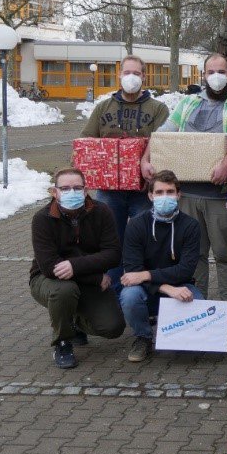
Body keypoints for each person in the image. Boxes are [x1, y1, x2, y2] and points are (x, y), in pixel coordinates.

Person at [142, 53, 227, 335]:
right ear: (203, 75)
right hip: (188, 193)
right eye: (211, 71)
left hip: (219, 193)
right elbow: (163, 133)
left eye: (222, 71)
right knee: (194, 255)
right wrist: (146, 157)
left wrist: (226, 163)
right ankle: (197, 307)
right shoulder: (188, 102)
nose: (216, 75)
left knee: (225, 254)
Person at [81, 55, 169, 290]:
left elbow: (164, 144)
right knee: (111, 242)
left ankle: (143, 293)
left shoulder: (158, 109)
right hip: (109, 190)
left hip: (144, 190)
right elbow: (87, 142)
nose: (132, 78)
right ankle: (114, 295)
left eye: (137, 73)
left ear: (144, 76)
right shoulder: (103, 108)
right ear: (119, 75)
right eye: (127, 73)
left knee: (145, 239)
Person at [29, 168, 126, 369]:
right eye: (64, 188)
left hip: (82, 275)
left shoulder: (101, 211)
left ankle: (73, 320)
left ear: (85, 190)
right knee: (65, 290)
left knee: (113, 327)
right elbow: (49, 267)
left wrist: (75, 265)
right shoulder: (42, 218)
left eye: (77, 188)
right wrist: (94, 277)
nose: (71, 192)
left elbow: (113, 254)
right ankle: (62, 342)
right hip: (48, 281)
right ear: (54, 192)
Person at [119, 170, 203, 363]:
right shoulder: (136, 225)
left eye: (170, 192)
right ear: (150, 196)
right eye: (159, 192)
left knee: (197, 300)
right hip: (149, 289)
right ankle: (143, 337)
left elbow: (186, 270)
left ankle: (176, 336)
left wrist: (146, 274)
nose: (165, 197)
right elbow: (132, 272)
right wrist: (167, 288)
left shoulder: (191, 226)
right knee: (129, 296)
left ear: (179, 195)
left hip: (181, 284)